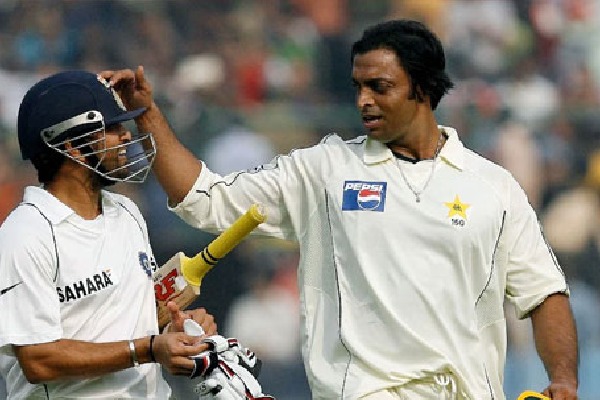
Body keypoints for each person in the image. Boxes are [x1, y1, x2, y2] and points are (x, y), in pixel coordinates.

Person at [102, 19, 578, 400]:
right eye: (357, 87)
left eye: (379, 86)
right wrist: (148, 115)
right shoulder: (325, 169)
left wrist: (563, 380)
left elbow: (543, 292)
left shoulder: (493, 186)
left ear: (422, 88)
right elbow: (205, 200)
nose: (363, 101)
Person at [0, 70, 219, 399]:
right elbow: (38, 359)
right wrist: (148, 348)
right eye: (112, 129)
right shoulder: (26, 234)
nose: (126, 136)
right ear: (72, 147)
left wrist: (176, 329)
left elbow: (132, 319)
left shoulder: (127, 211)